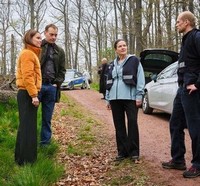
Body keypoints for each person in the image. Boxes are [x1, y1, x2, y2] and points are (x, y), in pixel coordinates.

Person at [162, 11, 200, 178]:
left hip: (193, 90)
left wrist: (198, 84)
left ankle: (198, 165)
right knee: (175, 122)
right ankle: (178, 159)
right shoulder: (185, 40)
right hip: (182, 88)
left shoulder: (196, 37)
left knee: (196, 128)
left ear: (186, 22)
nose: (176, 24)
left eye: (178, 21)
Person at [106, 39, 145, 162]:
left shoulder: (134, 61)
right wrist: (108, 99)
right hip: (115, 98)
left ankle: (134, 153)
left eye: (124, 45)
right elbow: (108, 82)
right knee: (119, 126)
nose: (123, 47)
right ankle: (122, 152)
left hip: (130, 98)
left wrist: (139, 96)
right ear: (115, 49)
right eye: (120, 46)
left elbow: (140, 78)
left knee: (132, 123)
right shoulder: (112, 64)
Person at [15, 29, 42, 165]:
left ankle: (20, 159)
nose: (40, 40)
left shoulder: (31, 54)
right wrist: (34, 95)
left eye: (40, 37)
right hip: (27, 94)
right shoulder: (27, 54)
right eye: (37, 38)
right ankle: (27, 161)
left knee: (26, 126)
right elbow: (28, 76)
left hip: (27, 93)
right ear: (29, 39)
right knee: (28, 128)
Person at [39, 24, 66, 146]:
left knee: (47, 119)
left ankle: (45, 145)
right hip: (37, 86)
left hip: (51, 87)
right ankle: (29, 144)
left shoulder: (59, 51)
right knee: (30, 118)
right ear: (45, 33)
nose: (54, 37)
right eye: (51, 34)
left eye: (55, 35)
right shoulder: (37, 46)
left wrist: (56, 83)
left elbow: (62, 70)